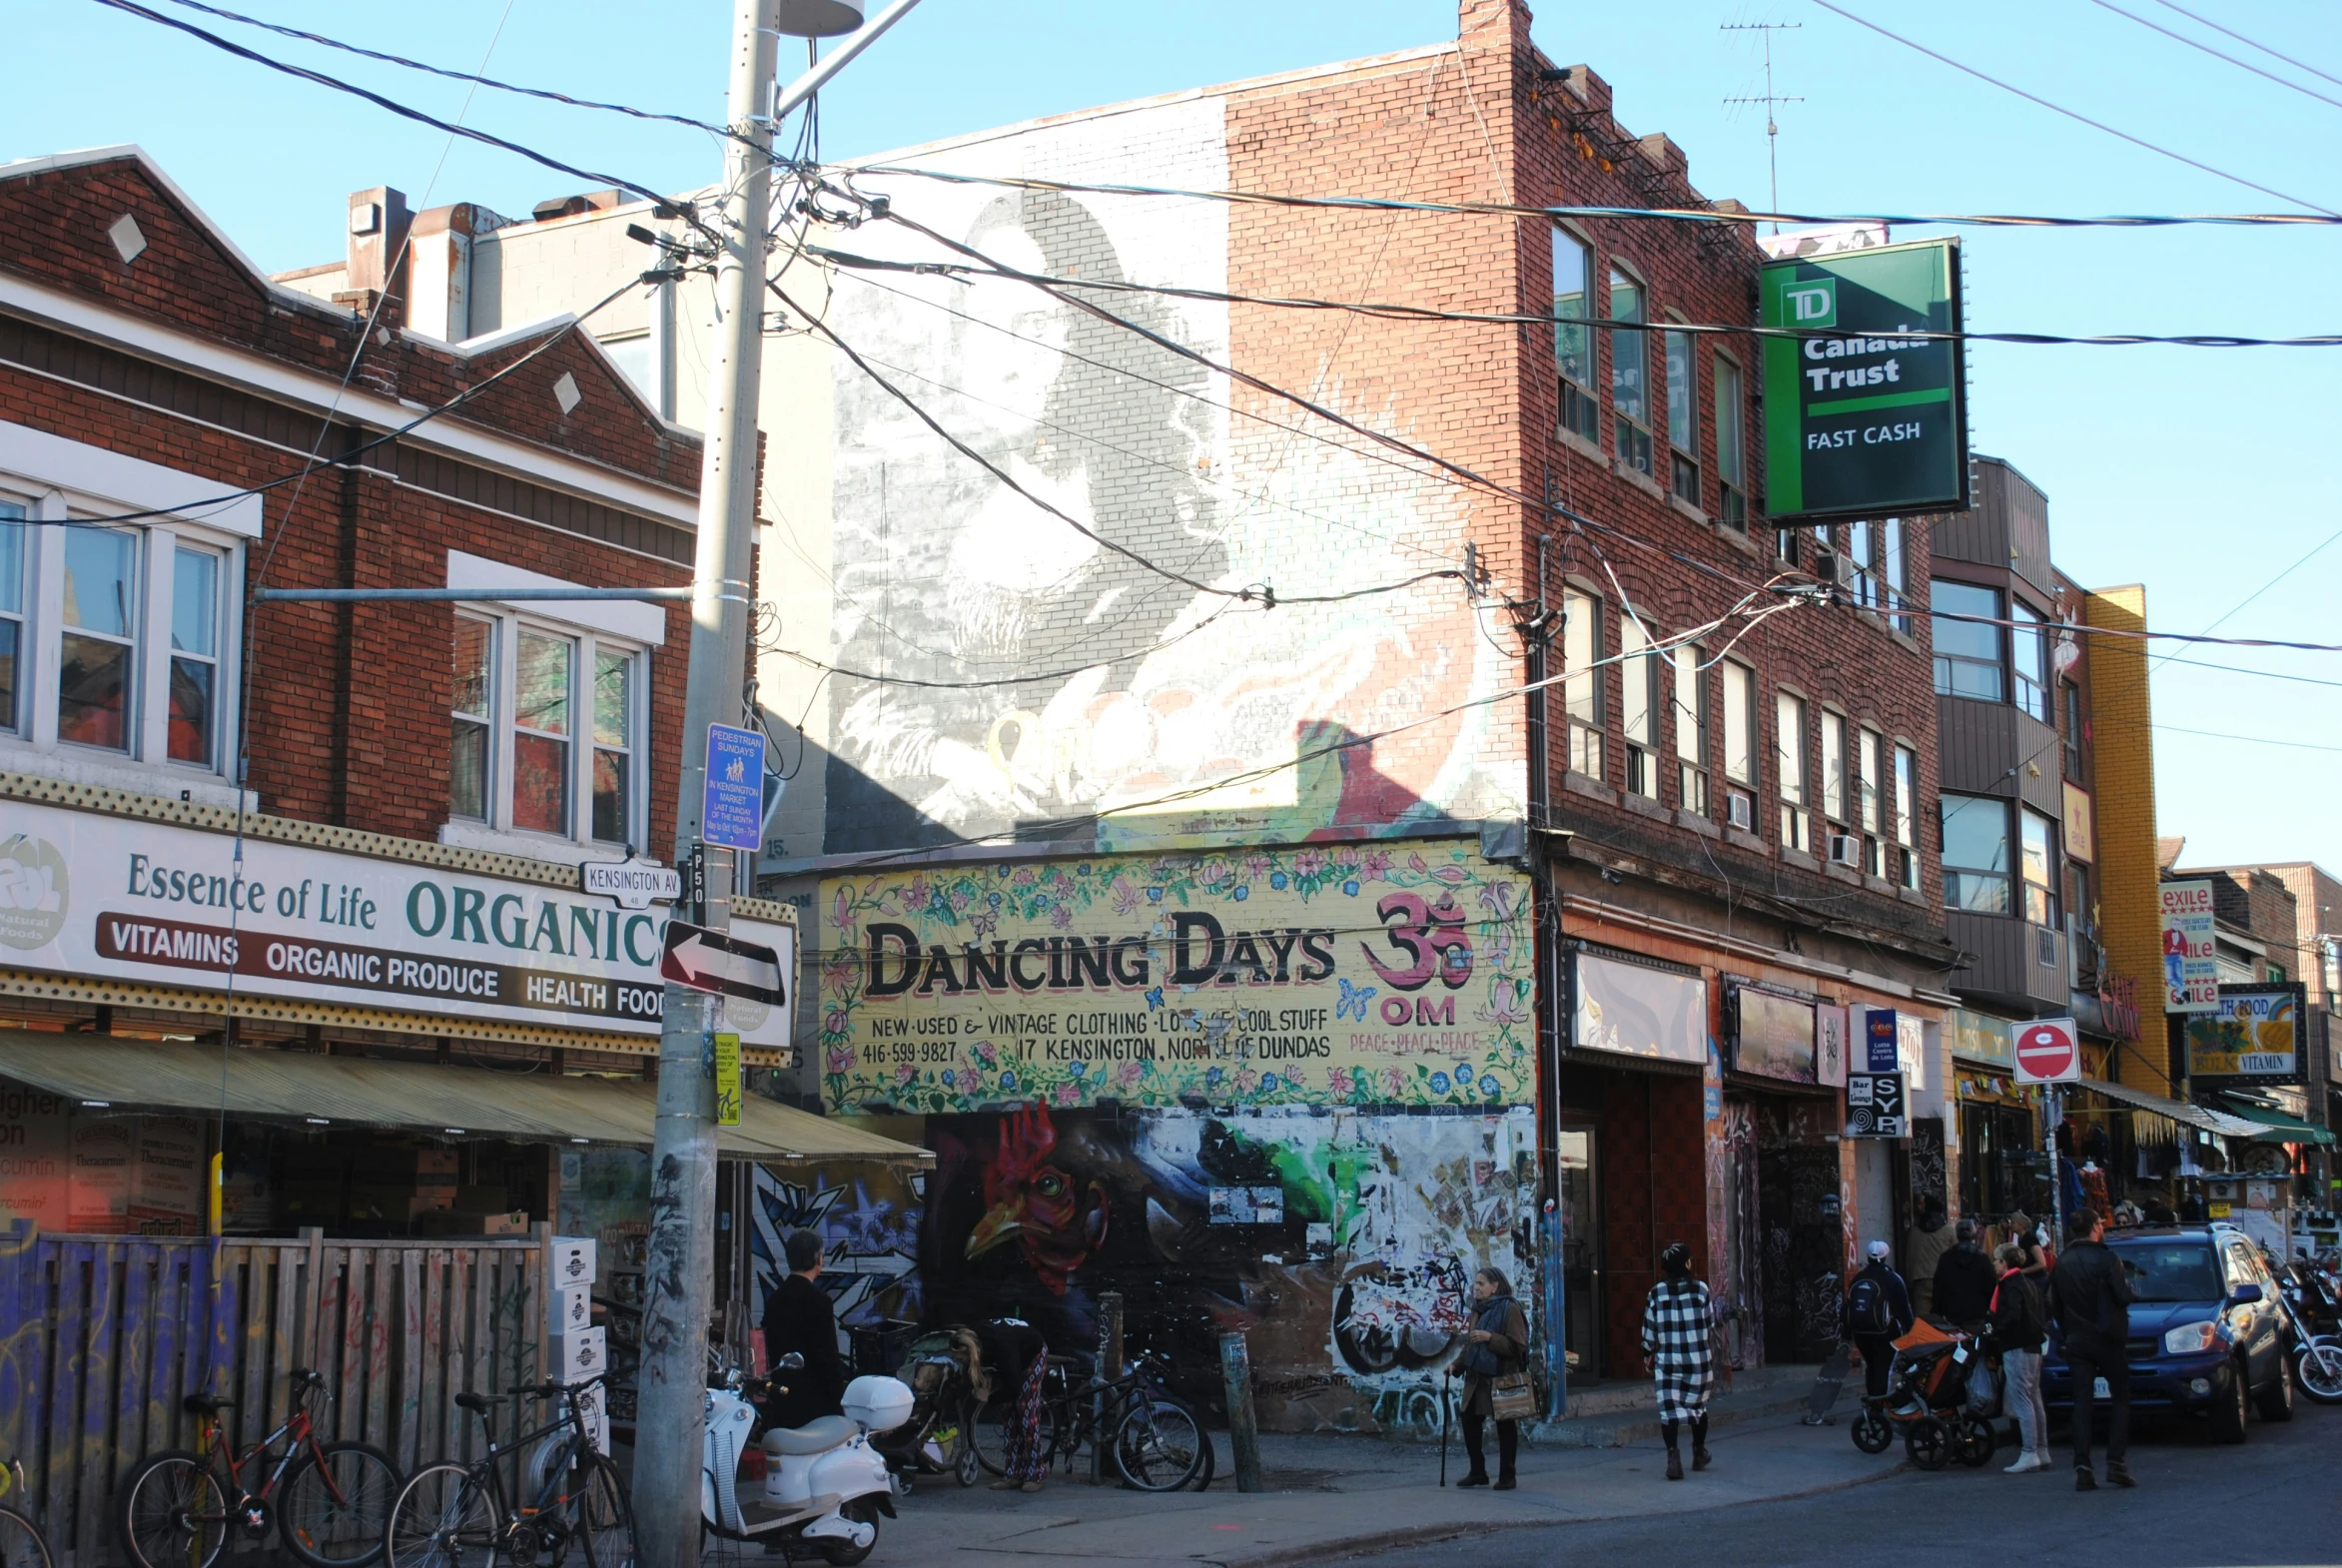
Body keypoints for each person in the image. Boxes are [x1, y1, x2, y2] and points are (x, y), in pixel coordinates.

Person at [2050, 1208, 2135, 1491]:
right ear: (2094, 1228)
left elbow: (2056, 1306)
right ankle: (2116, 1462)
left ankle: (2083, 1466)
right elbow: (2122, 1296)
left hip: (2077, 1338)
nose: (2102, 1227)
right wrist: (2132, 1290)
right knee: (2121, 1396)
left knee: (2082, 1402)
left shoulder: (2062, 1262)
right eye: (2100, 1223)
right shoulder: (2107, 1258)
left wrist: (2068, 1333)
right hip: (2107, 1338)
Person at [1640, 1241, 1717, 1481]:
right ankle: (1699, 1452)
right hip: (1698, 1362)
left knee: (1669, 1412)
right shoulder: (1701, 1290)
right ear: (1686, 1265)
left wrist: (1646, 1353)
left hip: (1668, 1362)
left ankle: (1673, 1459)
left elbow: (1648, 1330)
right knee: (1698, 1408)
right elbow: (1709, 1323)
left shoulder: (1655, 1293)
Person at [761, 1229, 846, 1432]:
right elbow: (827, 1357)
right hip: (814, 1405)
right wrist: (839, 1398)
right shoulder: (819, 1301)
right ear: (819, 1259)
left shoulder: (774, 1300)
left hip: (780, 1399)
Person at [1456, 1266, 1530, 1490]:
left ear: (1495, 1286)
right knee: (1469, 1421)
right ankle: (1477, 1472)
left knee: (1506, 1426)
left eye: (1481, 1284)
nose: (1476, 1287)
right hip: (1476, 1378)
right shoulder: (1477, 1309)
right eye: (1475, 1283)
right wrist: (1455, 1365)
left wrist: (1491, 1338)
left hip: (1501, 1378)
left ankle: (1508, 1476)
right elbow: (1471, 1343)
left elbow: (1518, 1347)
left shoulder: (1510, 1309)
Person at [1985, 1241, 2051, 1474]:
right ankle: (2041, 1451)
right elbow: (2046, 1307)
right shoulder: (2029, 1283)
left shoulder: (2009, 1285)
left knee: (2022, 1399)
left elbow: (2011, 1314)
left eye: (1996, 1260)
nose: (1994, 1263)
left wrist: (1997, 1329)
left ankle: (2029, 1452)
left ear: (2005, 1263)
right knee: (2035, 1399)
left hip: (2017, 1346)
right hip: (2034, 1345)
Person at [978, 1316, 1051, 1493]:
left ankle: (1036, 1474)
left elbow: (1013, 1388)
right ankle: (1013, 1474)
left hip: (1033, 1354)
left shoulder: (1004, 1347)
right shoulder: (978, 1336)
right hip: (1013, 1357)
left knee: (1026, 1411)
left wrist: (990, 1398)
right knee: (1008, 1413)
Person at [1844, 1240, 1915, 1400]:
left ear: (1867, 1257)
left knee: (1871, 1365)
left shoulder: (1858, 1278)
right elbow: (1904, 1308)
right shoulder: (1893, 1278)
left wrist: (1847, 1334)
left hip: (1861, 1333)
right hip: (1886, 1332)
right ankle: (1878, 1405)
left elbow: (1849, 1306)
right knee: (1884, 1367)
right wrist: (1910, 1332)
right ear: (1885, 1256)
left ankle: (1872, 1401)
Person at [1933, 1219, 1997, 1335]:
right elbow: (1991, 1286)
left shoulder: (1946, 1257)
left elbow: (1938, 1286)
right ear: (1974, 1234)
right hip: (1976, 1313)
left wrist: (1937, 1311)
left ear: (1957, 1235)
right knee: (1974, 1347)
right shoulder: (1982, 1258)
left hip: (1951, 1313)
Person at [1904, 1204, 1957, 1317]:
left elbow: (1910, 1257)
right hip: (1943, 1279)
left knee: (1922, 1318)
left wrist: (1909, 1280)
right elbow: (1956, 1256)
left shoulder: (1914, 1232)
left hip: (1921, 1278)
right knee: (1944, 1317)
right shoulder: (1949, 1230)